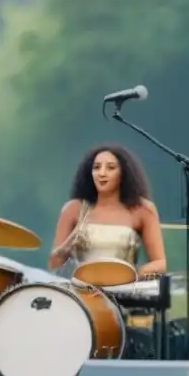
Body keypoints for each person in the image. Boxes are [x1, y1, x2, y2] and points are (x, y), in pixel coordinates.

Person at [48, 144, 168, 360]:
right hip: (83, 293)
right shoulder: (74, 209)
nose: (102, 173)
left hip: (123, 292)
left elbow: (159, 262)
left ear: (124, 173)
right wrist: (68, 245)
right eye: (96, 167)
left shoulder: (142, 209)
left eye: (110, 167)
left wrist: (129, 277)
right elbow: (54, 263)